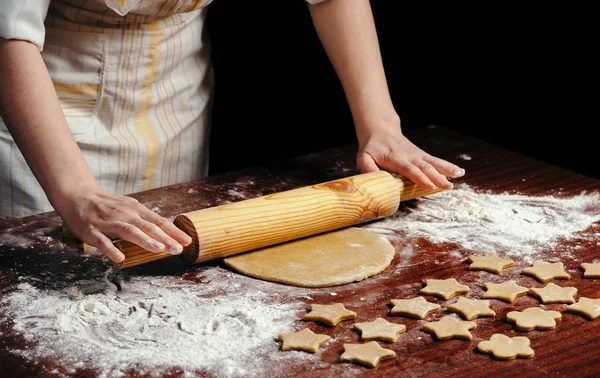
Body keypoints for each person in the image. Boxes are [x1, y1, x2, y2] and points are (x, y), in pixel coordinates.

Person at [0, 0, 465, 264]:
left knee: (168, 269)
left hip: (174, 100)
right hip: (44, 109)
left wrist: (381, 125)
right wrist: (77, 191)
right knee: (49, 283)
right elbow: (9, 33)